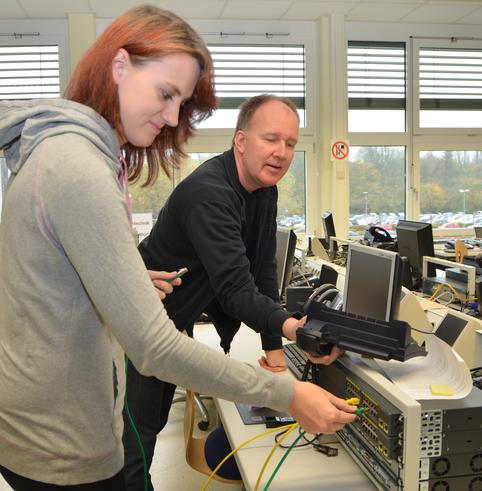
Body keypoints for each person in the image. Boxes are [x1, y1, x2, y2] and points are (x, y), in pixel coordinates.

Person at [0, 5, 356, 490]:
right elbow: (154, 345)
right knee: (136, 459)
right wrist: (286, 393)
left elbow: (260, 273)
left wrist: (123, 275)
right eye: (166, 94)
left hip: (53, 421)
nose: (171, 118)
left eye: (181, 103)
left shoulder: (73, 156)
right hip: (62, 442)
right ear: (120, 66)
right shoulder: (79, 167)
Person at [123, 94, 346, 490]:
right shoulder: (211, 194)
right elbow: (235, 292)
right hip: (137, 327)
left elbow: (262, 271)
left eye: (290, 143)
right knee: (135, 445)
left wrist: (275, 350)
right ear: (241, 141)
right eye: (271, 139)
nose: (281, 152)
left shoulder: (263, 189)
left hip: (172, 323)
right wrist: (298, 329)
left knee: (147, 432)